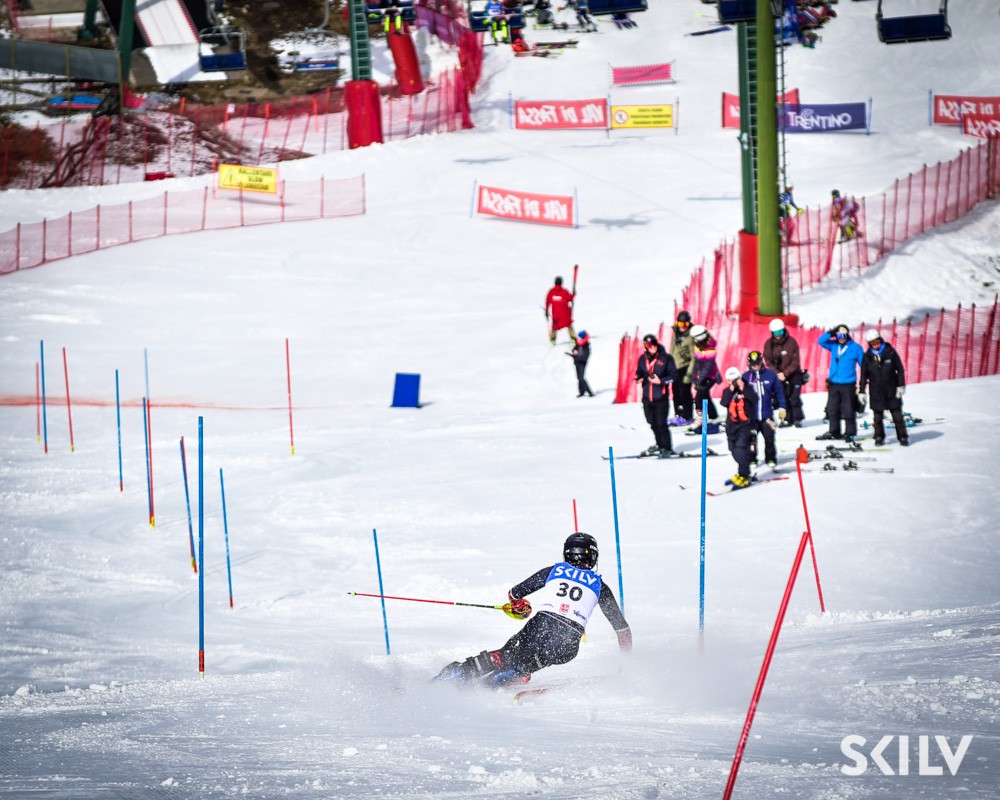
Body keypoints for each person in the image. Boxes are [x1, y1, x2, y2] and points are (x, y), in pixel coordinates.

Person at [434, 533, 632, 688]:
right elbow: (622, 631)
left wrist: (520, 608)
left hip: (542, 625)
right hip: (569, 642)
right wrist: (627, 665)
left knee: (505, 655)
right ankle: (510, 676)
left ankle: (456, 676)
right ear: (593, 556)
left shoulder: (554, 570)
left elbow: (514, 593)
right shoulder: (601, 587)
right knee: (530, 661)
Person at [858, 329, 909, 446]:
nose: (876, 344)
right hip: (876, 392)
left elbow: (900, 369)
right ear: (869, 344)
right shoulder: (867, 357)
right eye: (873, 343)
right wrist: (862, 391)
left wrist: (901, 385)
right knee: (877, 418)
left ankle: (902, 437)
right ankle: (879, 437)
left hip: (892, 390)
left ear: (880, 339)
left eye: (877, 341)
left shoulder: (890, 352)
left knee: (897, 416)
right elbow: (863, 375)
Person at [816, 324, 865, 442]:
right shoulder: (834, 345)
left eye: (843, 335)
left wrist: (862, 384)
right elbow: (820, 341)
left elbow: (864, 365)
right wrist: (832, 332)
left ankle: (850, 433)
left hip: (848, 384)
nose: (841, 338)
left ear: (847, 335)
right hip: (834, 383)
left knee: (848, 409)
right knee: (832, 409)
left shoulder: (855, 348)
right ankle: (834, 432)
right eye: (838, 336)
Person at [635, 333, 677, 456]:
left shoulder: (666, 358)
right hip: (647, 397)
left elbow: (674, 376)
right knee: (652, 423)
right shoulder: (642, 359)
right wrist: (639, 377)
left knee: (661, 424)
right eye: (649, 345)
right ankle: (659, 444)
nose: (652, 347)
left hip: (660, 397)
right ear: (645, 346)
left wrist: (661, 381)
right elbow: (640, 371)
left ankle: (667, 447)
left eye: (654, 344)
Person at [743, 350, 786, 468]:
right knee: (751, 440)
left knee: (769, 438)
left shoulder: (770, 375)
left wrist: (782, 407)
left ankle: (770, 458)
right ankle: (752, 459)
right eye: (753, 364)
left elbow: (779, 392)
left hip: (767, 415)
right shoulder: (745, 377)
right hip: (751, 417)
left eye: (758, 363)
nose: (756, 366)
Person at [720, 366, 759, 489]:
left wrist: (743, 388)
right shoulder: (728, 391)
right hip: (732, 426)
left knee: (741, 449)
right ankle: (741, 472)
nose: (732, 382)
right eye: (729, 380)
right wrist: (731, 390)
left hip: (745, 426)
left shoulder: (748, 388)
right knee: (733, 450)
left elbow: (755, 399)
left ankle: (745, 475)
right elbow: (723, 402)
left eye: (734, 380)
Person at [762, 318, 805, 427]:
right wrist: (777, 373)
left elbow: (795, 361)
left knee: (794, 397)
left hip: (794, 374)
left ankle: (798, 418)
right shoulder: (769, 344)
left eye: (780, 332)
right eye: (775, 333)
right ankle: (787, 418)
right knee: (784, 396)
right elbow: (768, 361)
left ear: (784, 330)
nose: (778, 335)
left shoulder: (792, 342)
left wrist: (785, 373)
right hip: (778, 375)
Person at [686, 324, 722, 432]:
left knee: (699, 398)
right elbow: (696, 363)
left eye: (695, 338)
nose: (694, 341)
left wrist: (698, 381)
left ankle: (700, 419)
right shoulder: (698, 345)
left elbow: (707, 367)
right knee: (705, 397)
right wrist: (693, 378)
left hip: (711, 376)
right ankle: (714, 417)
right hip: (702, 376)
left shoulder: (710, 348)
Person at [669, 310, 695, 424]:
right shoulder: (675, 333)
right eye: (681, 324)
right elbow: (672, 349)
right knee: (675, 392)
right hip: (675, 367)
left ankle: (687, 416)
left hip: (685, 367)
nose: (683, 327)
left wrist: (689, 374)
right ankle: (679, 414)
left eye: (685, 324)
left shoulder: (691, 337)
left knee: (684, 392)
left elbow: (694, 357)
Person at [544, 275, 576, 344]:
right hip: (565, 314)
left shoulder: (551, 292)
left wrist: (546, 311)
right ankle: (573, 338)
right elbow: (570, 298)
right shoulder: (564, 291)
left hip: (556, 314)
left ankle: (552, 339)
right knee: (569, 325)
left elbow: (547, 302)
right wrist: (573, 294)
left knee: (554, 326)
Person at [568, 330, 594, 397]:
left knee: (581, 377)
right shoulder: (577, 344)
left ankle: (590, 392)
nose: (579, 339)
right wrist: (574, 352)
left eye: (580, 338)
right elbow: (574, 349)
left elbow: (584, 357)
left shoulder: (586, 346)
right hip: (576, 362)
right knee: (578, 378)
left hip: (582, 363)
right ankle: (581, 392)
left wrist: (576, 355)